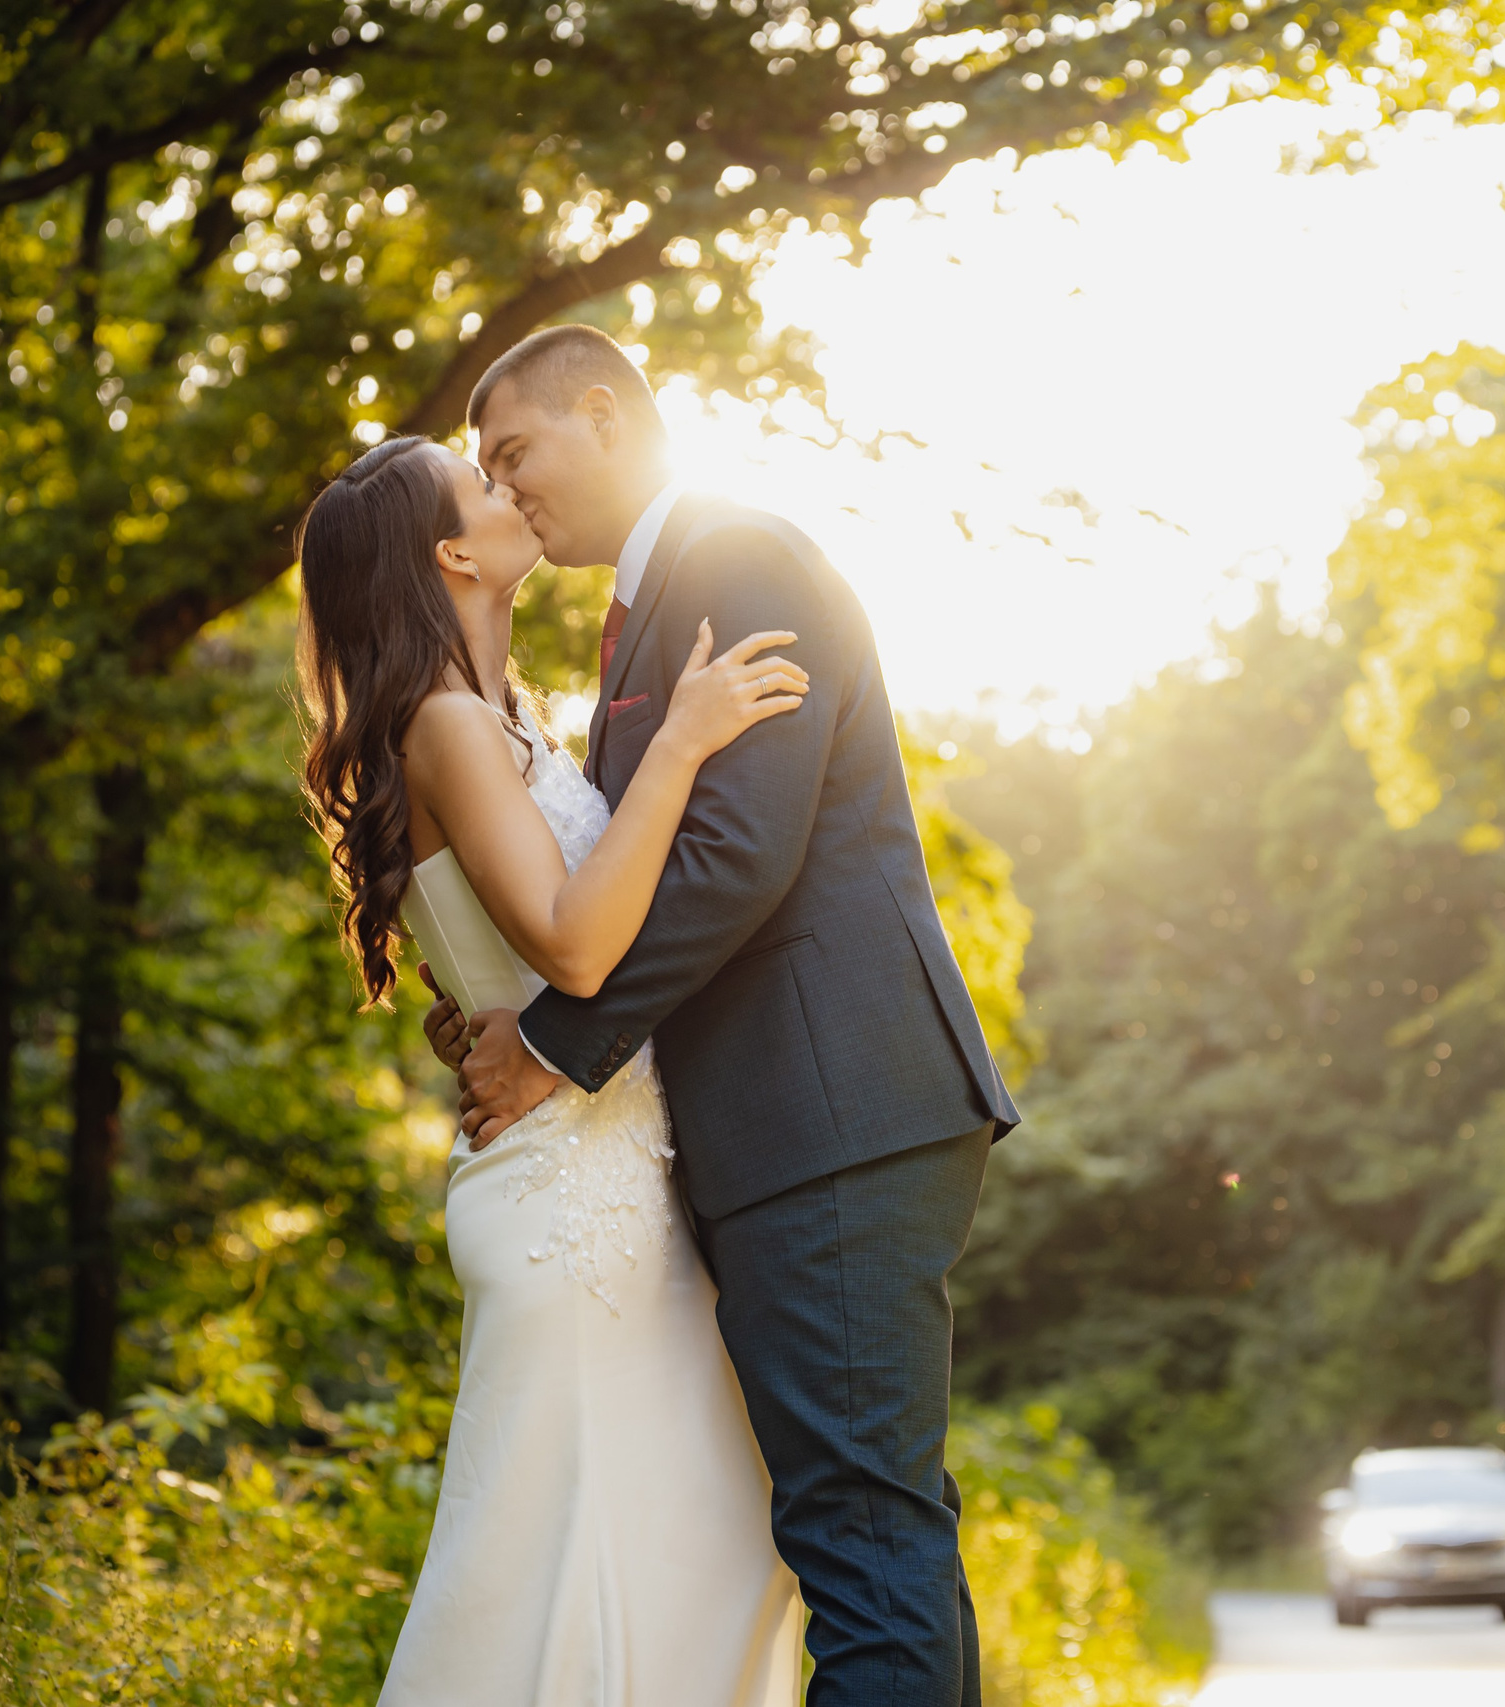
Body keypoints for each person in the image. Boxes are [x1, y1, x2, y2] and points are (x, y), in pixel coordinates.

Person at [422, 323, 1021, 1704]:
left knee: (863, 1543)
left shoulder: (738, 558)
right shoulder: (651, 603)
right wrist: (493, 1009)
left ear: (606, 413)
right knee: (872, 1530)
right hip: (792, 1129)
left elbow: (737, 853)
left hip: (834, 1117)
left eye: (517, 453)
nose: (507, 493)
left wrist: (556, 1052)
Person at [293, 429, 812, 1706]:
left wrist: (474, 1012)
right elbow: (579, 948)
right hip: (569, 1214)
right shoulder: (449, 727)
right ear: (453, 551)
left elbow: (494, 956)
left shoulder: (500, 720)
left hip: (617, 1184)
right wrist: (685, 743)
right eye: (483, 484)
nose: (511, 490)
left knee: (693, 1567)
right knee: (570, 1591)